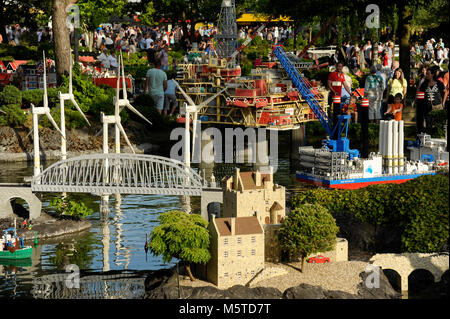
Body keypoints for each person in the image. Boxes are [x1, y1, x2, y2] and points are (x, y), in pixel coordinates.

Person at [417, 67, 446, 132]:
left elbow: (445, 91)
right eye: (426, 74)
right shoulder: (424, 84)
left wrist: (443, 102)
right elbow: (420, 96)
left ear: (432, 74)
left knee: (438, 125)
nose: (426, 75)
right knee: (428, 125)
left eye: (428, 74)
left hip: (437, 107)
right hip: (427, 108)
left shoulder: (439, 83)